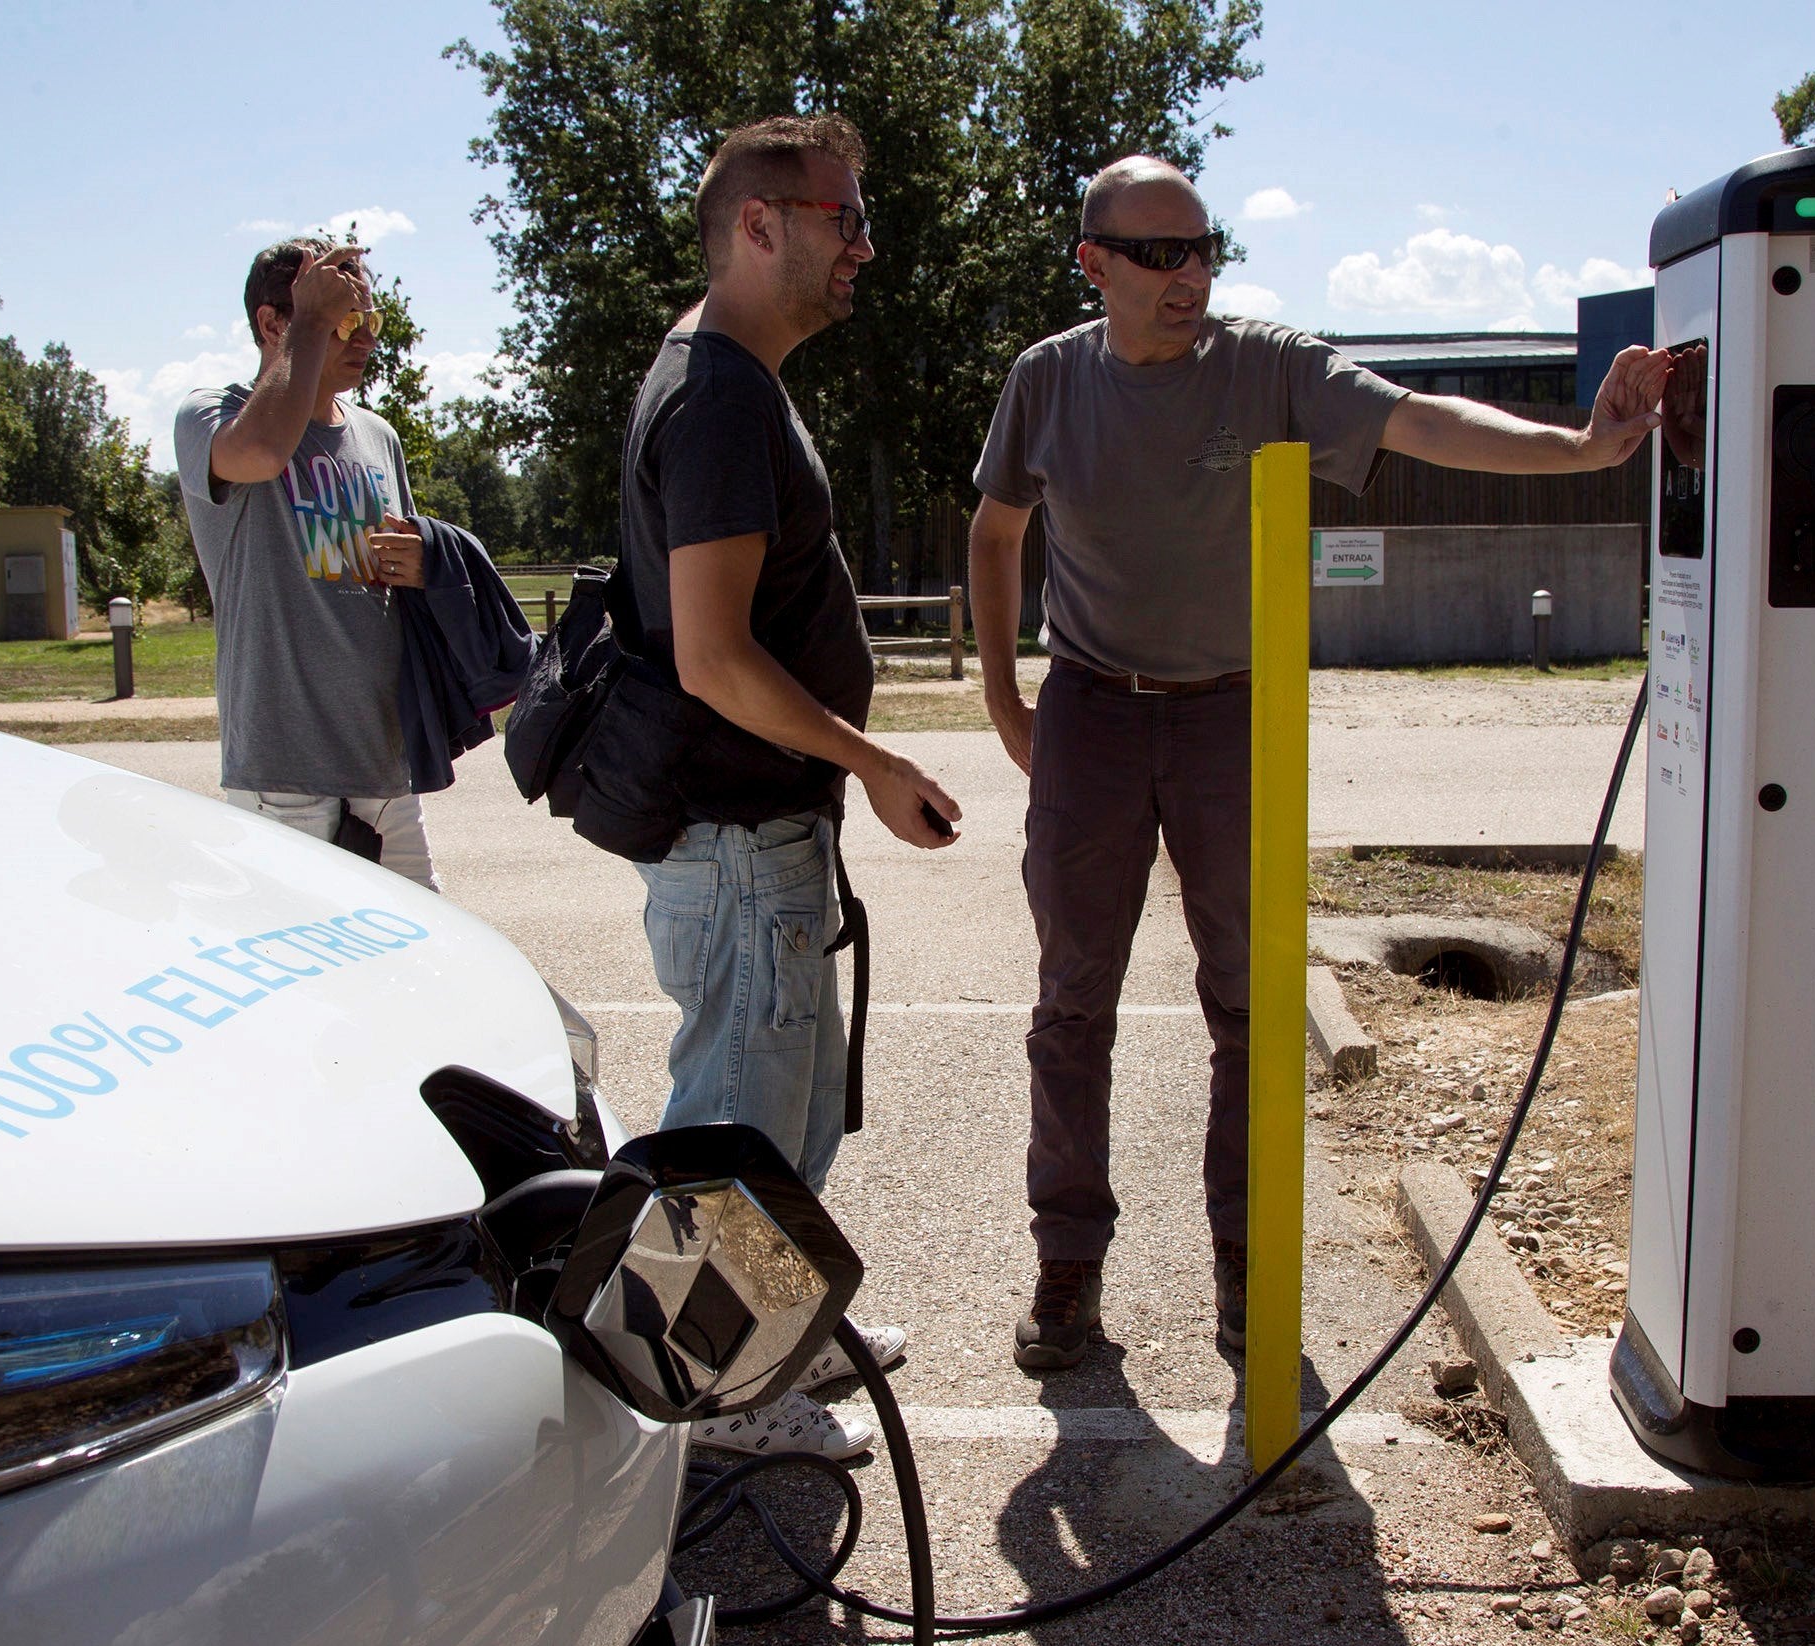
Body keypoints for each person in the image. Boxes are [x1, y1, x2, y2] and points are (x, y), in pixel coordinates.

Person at [970, 155, 1669, 1371]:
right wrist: (1002, 697)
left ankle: (1245, 1262)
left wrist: (1579, 450)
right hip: (1088, 706)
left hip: (1231, 714)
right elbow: (994, 529)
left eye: (1201, 249)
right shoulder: (1047, 379)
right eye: (1156, 254)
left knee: (1247, 1004)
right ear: (1093, 263)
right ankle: (1067, 1266)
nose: (1186, 274)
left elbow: (1415, 417)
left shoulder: (1267, 365)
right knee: (1072, 1002)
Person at [617, 113, 963, 1458]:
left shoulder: (733, 383)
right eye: (843, 218)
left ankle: (784, 1332)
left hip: (766, 832)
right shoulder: (713, 395)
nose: (863, 245)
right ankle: (717, 1397)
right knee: (734, 1132)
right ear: (758, 225)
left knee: (794, 1112)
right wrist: (872, 762)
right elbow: (712, 656)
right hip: (733, 833)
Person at [173, 238, 440, 888]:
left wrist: (423, 563)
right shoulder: (214, 416)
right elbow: (262, 453)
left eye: (367, 320)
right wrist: (311, 326)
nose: (365, 339)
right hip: (284, 773)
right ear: (273, 324)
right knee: (313, 979)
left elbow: (398, 579)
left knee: (424, 964)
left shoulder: (378, 437)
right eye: (341, 320)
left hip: (382, 767)